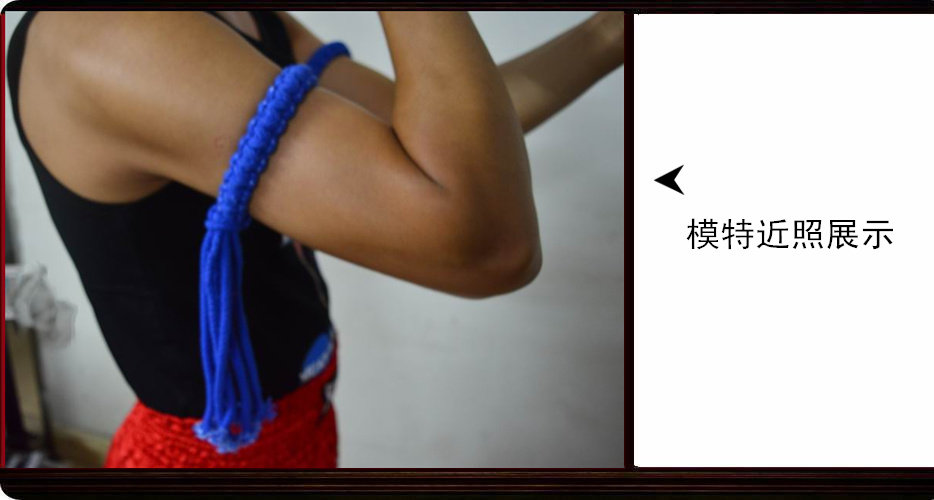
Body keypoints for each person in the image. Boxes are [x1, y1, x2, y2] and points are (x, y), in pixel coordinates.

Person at [6, 10, 624, 467]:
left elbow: (461, 133)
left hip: (301, 430)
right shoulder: (109, 33)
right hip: (213, 462)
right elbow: (489, 241)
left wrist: (615, 31)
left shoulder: (239, 16)